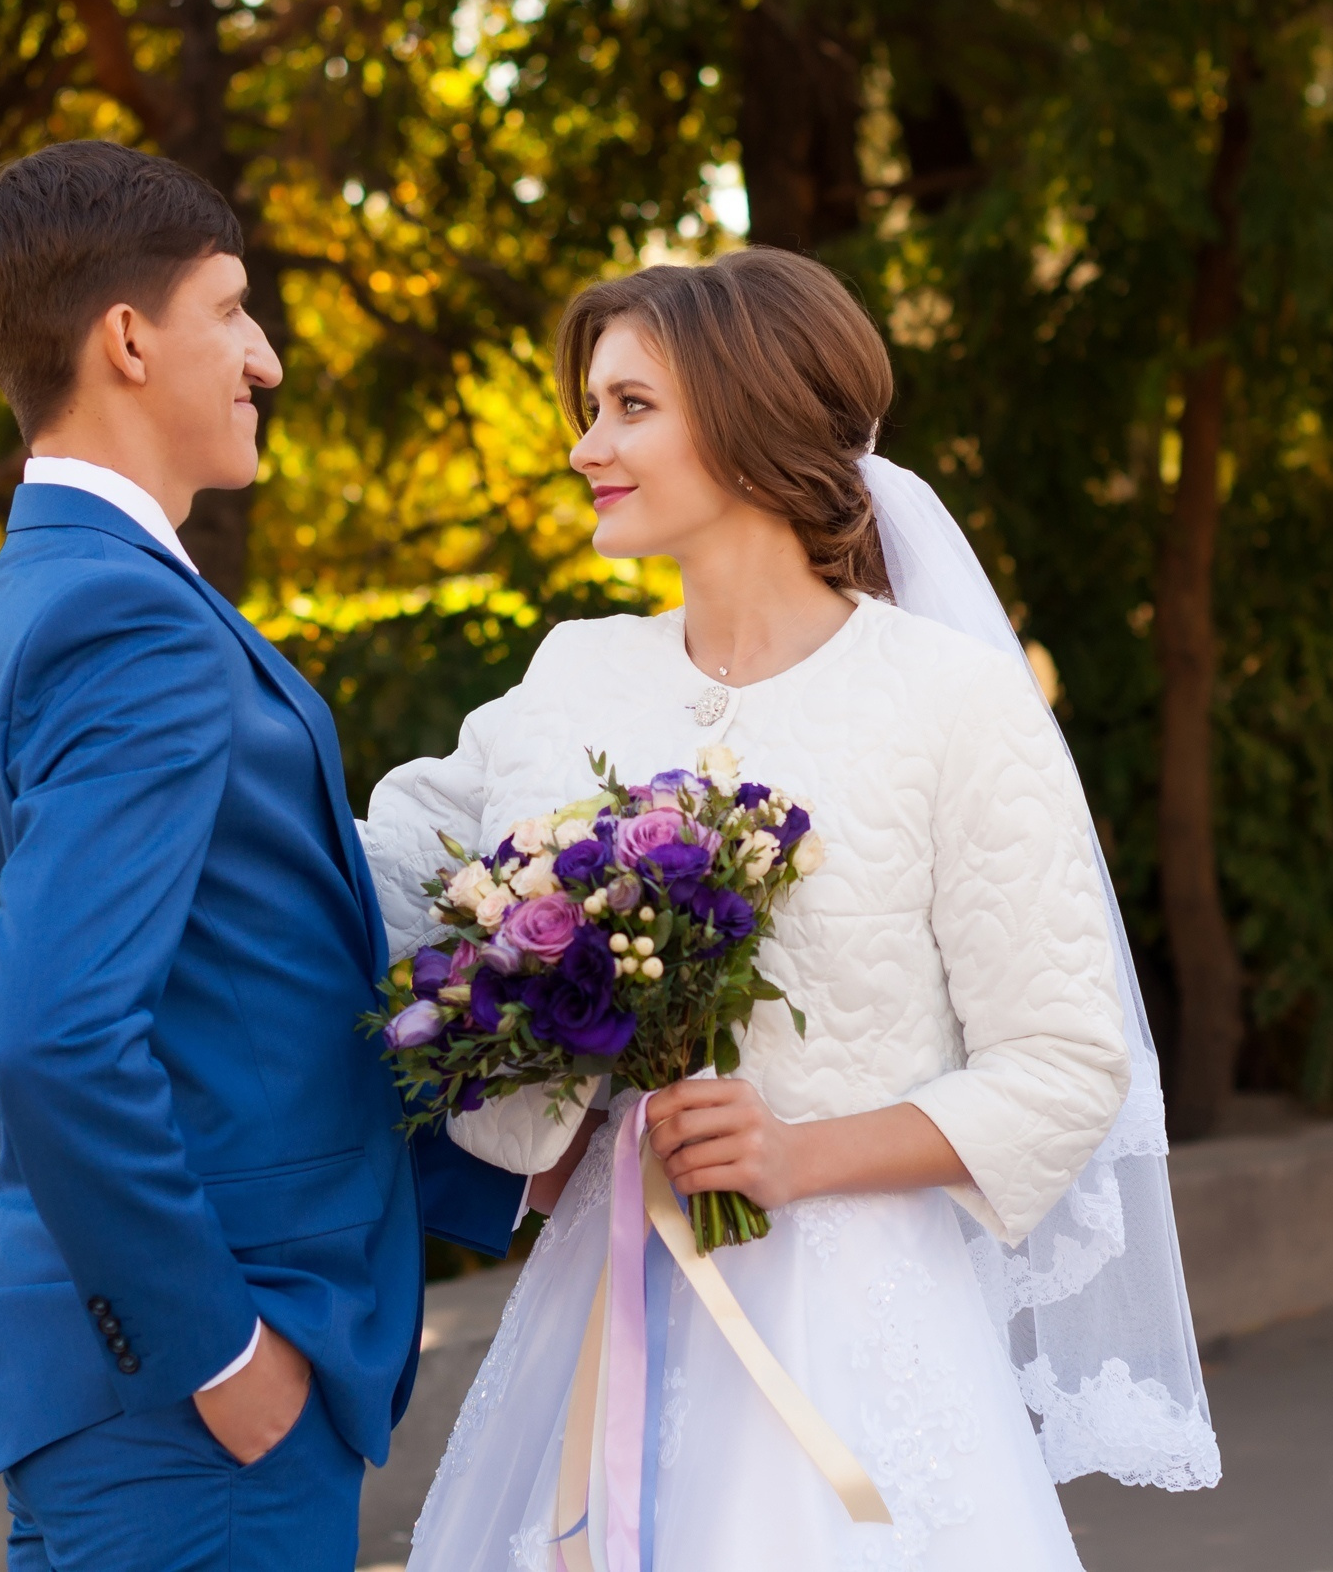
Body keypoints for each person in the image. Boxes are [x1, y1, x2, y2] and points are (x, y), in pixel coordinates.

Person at [363, 249, 1219, 1570]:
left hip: (861, 1345)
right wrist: (535, 1091)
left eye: (629, 407)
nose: (588, 444)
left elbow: (1066, 1066)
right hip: (602, 1315)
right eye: (589, 409)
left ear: (751, 420)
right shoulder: (571, 675)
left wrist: (791, 1155)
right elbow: (383, 868)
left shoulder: (952, 700)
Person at [0, 140, 527, 1572]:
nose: (268, 358)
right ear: (126, 338)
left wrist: (508, 1173)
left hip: (144, 1399)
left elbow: (239, 998)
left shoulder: (47, 590)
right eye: (233, 308)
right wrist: (222, 1350)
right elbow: (59, 1038)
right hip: (192, 1409)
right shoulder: (127, 624)